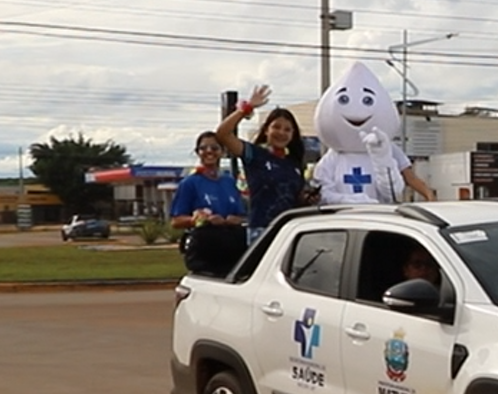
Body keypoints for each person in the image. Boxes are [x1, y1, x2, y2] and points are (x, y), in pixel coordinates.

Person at [311, 61, 437, 205]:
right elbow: (323, 191)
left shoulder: (385, 148)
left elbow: (403, 181)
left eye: (367, 100)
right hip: (343, 216)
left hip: (378, 214)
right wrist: (350, 201)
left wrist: (428, 195)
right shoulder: (333, 157)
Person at [215, 84, 310, 243]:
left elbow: (296, 199)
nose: (281, 133)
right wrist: (246, 108)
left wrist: (308, 198)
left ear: (293, 135)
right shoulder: (255, 154)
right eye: (276, 127)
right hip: (261, 231)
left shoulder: (294, 163)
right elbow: (223, 134)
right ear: (266, 130)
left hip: (290, 231)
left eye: (287, 129)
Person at [171, 131, 248, 275]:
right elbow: (176, 221)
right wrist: (202, 219)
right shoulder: (190, 183)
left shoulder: (229, 182)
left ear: (223, 152)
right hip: (205, 250)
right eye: (203, 148)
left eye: (214, 148)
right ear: (197, 152)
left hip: (233, 248)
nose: (209, 151)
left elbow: (242, 215)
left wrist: (236, 220)